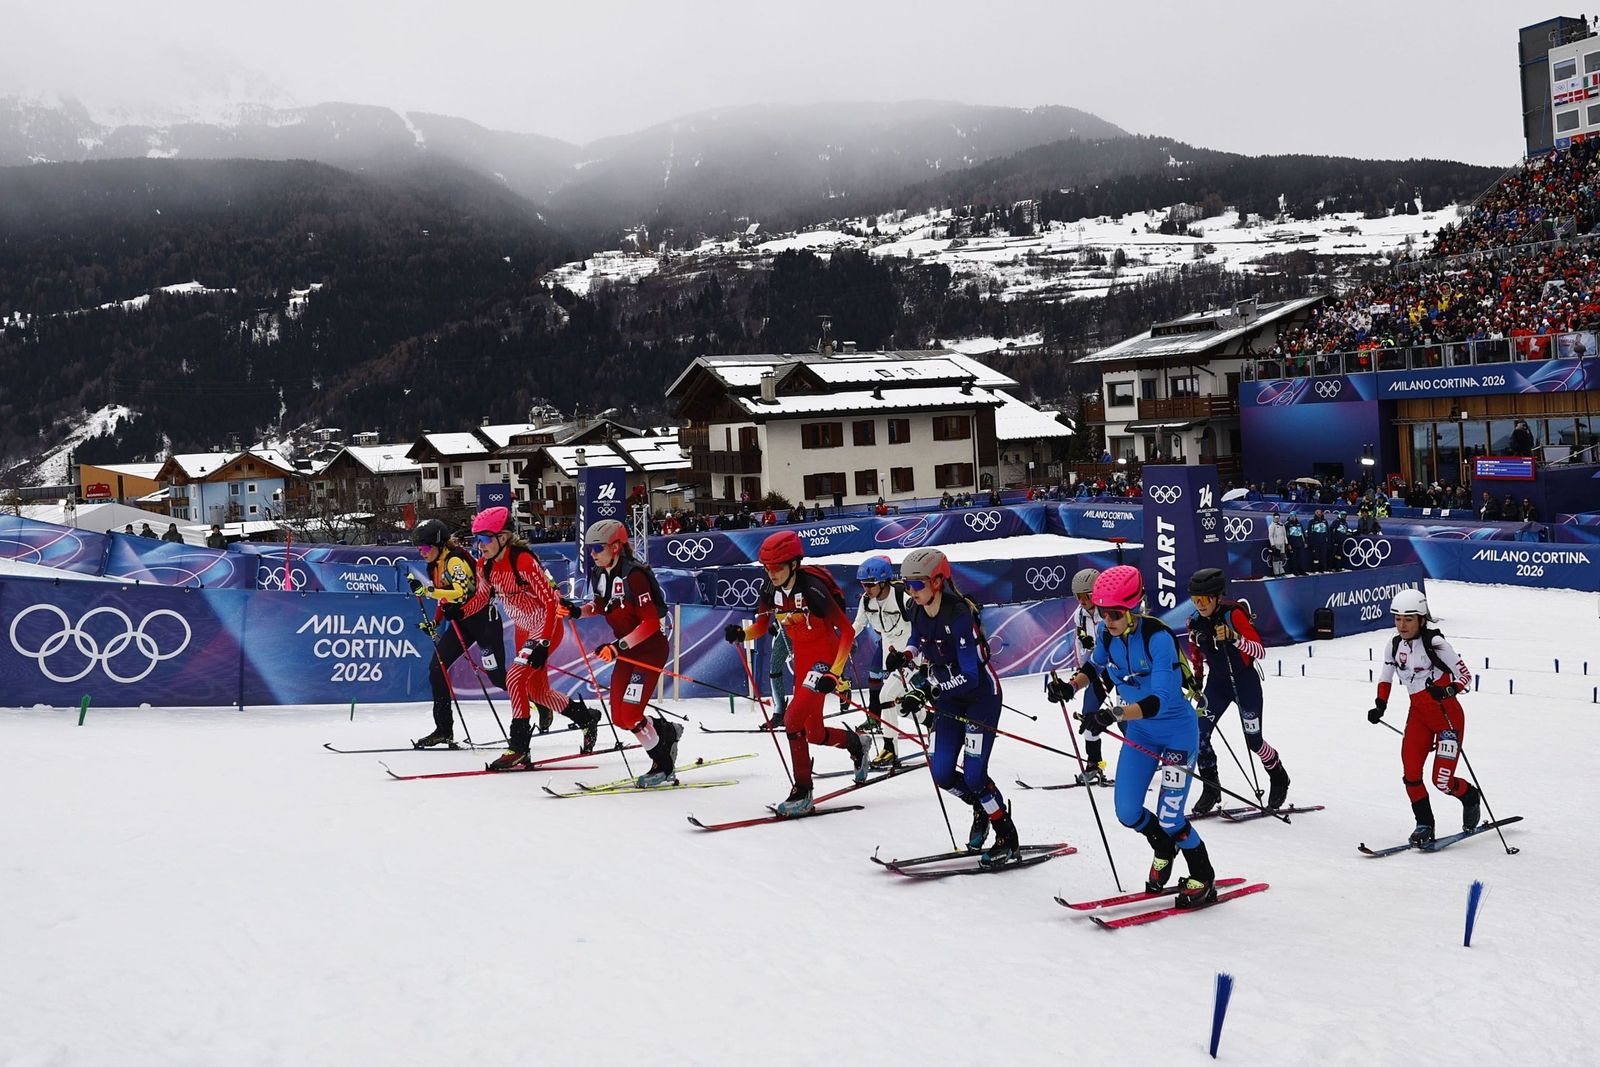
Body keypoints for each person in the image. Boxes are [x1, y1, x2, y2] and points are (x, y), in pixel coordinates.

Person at [1045, 565, 1218, 905]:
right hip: (1142, 733)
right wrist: (1070, 686)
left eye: (1114, 613)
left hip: (1176, 733)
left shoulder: (1158, 638)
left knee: (1170, 817)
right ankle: (1163, 847)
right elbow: (1094, 666)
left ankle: (1203, 874)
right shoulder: (1107, 634)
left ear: (1134, 607)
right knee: (1127, 811)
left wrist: (1113, 715)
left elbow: (1159, 701)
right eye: (1102, 612)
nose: (1107, 619)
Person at [888, 548, 1020, 865]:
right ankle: (981, 808)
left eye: (916, 584)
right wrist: (905, 656)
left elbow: (970, 676)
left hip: (980, 698)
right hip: (948, 698)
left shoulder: (959, 615)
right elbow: (917, 639)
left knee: (975, 776)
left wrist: (928, 690)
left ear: (937, 582)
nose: (911, 591)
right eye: (907, 585)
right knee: (943, 773)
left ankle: (1006, 835)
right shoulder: (916, 609)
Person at [724, 529, 866, 814]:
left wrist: (834, 674)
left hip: (825, 658)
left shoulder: (812, 588)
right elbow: (761, 627)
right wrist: (742, 634)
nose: (771, 573)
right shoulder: (769, 589)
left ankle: (802, 791)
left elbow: (847, 631)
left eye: (777, 567)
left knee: (792, 719)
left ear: (794, 564)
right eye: (767, 567)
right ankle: (857, 743)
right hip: (802, 659)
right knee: (813, 733)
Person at [471, 506, 601, 770]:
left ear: (503, 537)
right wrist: (457, 610)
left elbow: (551, 602)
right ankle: (586, 717)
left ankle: (519, 747)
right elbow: (481, 599)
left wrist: (543, 642)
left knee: (514, 678)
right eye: (477, 539)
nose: (480, 545)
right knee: (538, 692)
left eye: (484, 538)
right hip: (524, 629)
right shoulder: (484, 565)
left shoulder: (523, 561)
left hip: (546, 627)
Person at [565, 519, 679, 786]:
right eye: (590, 548)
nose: (592, 554)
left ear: (616, 547)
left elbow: (650, 623)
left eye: (598, 548)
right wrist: (577, 611)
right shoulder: (600, 572)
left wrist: (616, 648)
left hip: (649, 651)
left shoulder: (635, 576)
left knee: (629, 714)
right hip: (626, 652)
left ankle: (663, 767)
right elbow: (599, 605)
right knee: (619, 717)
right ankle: (665, 731)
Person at [1367, 589, 1481, 845]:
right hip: (1418, 716)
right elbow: (1385, 677)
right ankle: (1424, 824)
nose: (1402, 625)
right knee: (1410, 773)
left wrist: (1449, 690)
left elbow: (1465, 676)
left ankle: (1470, 796)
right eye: (1398, 619)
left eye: (1408, 619)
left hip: (1447, 718)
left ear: (1421, 619)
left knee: (1442, 781)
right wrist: (1380, 705)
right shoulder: (1394, 645)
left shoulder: (1436, 644)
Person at [1186, 568, 1291, 813]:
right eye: (1195, 599)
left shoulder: (1233, 615)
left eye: (1204, 599)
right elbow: (1195, 650)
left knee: (1254, 742)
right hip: (1217, 685)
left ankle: (1278, 775)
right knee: (1198, 734)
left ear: (1216, 597)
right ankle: (1211, 788)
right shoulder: (1194, 621)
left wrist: (1234, 637)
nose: (1199, 605)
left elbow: (1260, 651)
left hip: (1245, 684)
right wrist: (1197, 679)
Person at [407, 517, 508, 749]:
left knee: (498, 678)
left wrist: (427, 591)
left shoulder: (454, 561)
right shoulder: (435, 565)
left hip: (484, 621)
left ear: (439, 544)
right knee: (437, 668)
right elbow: (444, 597)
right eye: (418, 548)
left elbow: (462, 592)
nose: (421, 552)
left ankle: (543, 704)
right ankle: (443, 729)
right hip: (463, 622)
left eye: (425, 548)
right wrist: (435, 622)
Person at [851, 555, 913, 768]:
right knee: (899, 703)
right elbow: (858, 624)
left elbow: (922, 623)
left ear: (884, 581)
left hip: (909, 655)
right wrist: (845, 639)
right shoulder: (866, 601)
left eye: (871, 584)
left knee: (886, 696)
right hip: (890, 656)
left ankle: (890, 749)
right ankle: (931, 722)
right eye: (863, 584)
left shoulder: (902, 596)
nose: (866, 588)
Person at [1066, 567, 1111, 785]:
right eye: (1078, 597)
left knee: (1126, 719)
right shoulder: (1080, 615)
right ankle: (1094, 764)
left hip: (1121, 668)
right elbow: (1079, 644)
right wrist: (1082, 669)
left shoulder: (1110, 610)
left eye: (1086, 596)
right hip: (1097, 668)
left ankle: (1146, 755)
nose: (1082, 601)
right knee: (1088, 715)